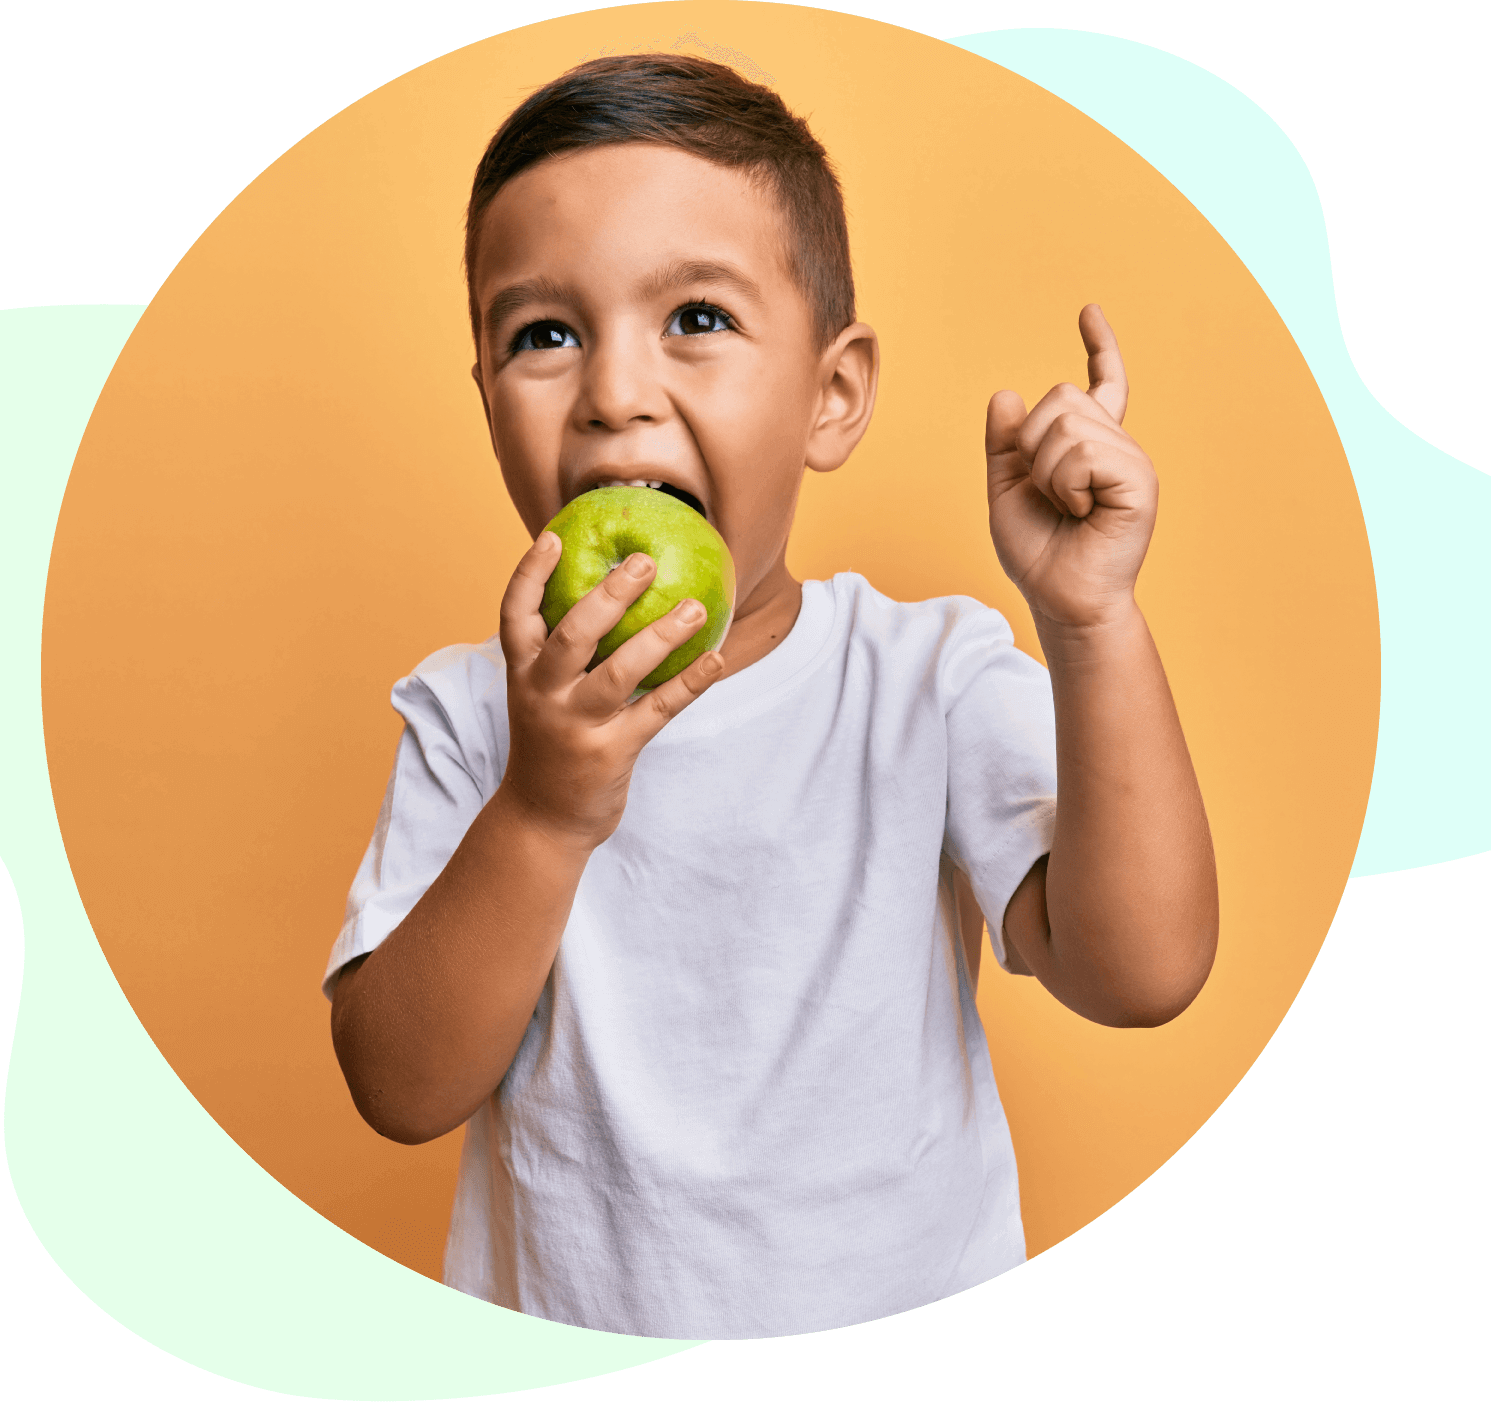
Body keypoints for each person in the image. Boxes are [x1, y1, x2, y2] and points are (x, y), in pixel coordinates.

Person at [324, 53, 1217, 1339]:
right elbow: (399, 1087)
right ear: (488, 406)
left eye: (695, 317)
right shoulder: (475, 717)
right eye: (544, 335)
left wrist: (1090, 619)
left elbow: (1143, 970)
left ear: (831, 395)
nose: (615, 393)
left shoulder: (925, 679)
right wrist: (543, 808)